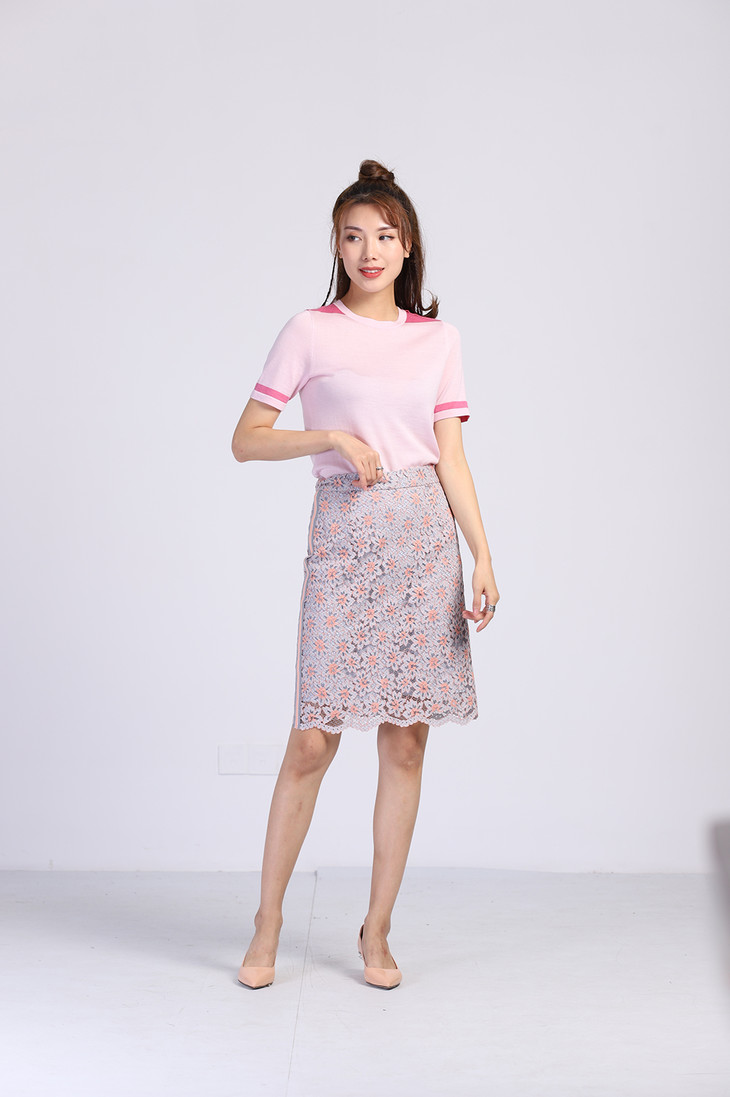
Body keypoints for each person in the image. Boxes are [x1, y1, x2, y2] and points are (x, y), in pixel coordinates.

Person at [230, 159, 500, 990]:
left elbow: (451, 458)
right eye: (353, 237)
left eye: (384, 235)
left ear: (407, 245)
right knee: (313, 739)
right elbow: (246, 437)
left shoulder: (438, 340)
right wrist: (330, 439)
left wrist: (483, 554)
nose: (369, 251)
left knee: (407, 741)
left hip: (424, 544)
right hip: (344, 541)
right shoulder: (309, 331)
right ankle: (268, 919)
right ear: (338, 247)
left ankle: (376, 929)